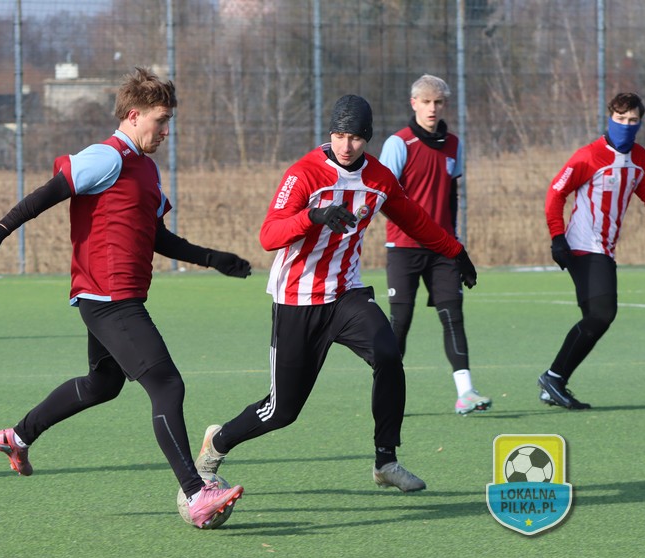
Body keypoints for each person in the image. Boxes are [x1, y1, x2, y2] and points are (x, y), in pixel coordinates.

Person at [0, 67, 250, 528]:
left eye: (169, 121)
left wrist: (212, 257)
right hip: (110, 298)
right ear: (133, 116)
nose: (166, 131)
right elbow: (48, 194)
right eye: (160, 120)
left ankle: (18, 436)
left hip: (113, 295)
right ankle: (197, 494)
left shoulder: (146, 168)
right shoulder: (106, 157)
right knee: (167, 385)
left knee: (103, 384)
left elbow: (157, 236)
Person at [193, 94, 478, 493]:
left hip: (346, 294)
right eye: (340, 136)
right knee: (282, 410)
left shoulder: (379, 179)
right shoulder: (304, 174)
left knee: (388, 354)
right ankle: (217, 443)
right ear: (330, 134)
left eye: (356, 138)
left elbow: (414, 219)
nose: (346, 146)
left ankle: (386, 460)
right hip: (297, 300)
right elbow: (268, 236)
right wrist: (313, 215)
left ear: (368, 138)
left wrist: (455, 251)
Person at [539, 91, 645, 410]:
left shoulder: (639, 158)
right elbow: (556, 193)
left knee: (595, 319)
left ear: (640, 122)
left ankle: (554, 382)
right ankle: (553, 379)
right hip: (582, 246)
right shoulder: (588, 156)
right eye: (620, 119)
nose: (626, 125)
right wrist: (557, 237)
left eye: (633, 120)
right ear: (610, 118)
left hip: (604, 249)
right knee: (602, 314)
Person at [379, 74, 491, 416]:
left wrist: (455, 245)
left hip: (442, 248)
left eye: (438, 102)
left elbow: (452, 197)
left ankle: (466, 393)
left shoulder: (454, 144)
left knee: (453, 316)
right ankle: (387, 395)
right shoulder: (398, 143)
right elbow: (383, 196)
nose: (432, 108)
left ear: (444, 105)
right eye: (426, 102)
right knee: (400, 321)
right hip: (403, 247)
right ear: (413, 103)